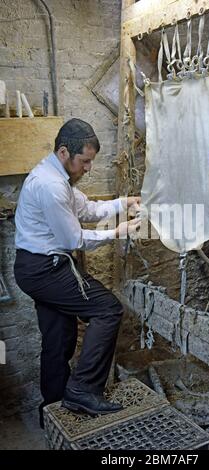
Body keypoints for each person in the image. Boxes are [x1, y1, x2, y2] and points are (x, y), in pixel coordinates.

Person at [13, 118, 141, 427]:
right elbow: (74, 240)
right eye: (84, 161)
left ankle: (54, 409)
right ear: (64, 153)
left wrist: (123, 203)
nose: (88, 168)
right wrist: (117, 233)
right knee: (108, 310)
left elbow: (88, 211)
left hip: (35, 267)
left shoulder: (59, 177)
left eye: (91, 161)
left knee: (60, 336)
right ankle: (82, 390)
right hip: (44, 269)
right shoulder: (51, 185)